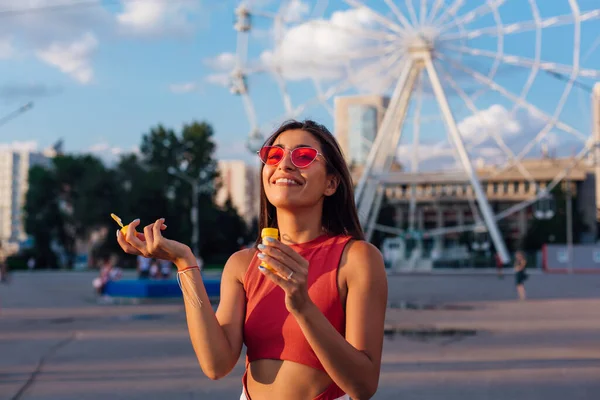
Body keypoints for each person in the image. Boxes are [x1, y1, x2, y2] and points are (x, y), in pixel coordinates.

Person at [116, 119, 388, 400]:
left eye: (303, 156)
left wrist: (303, 306)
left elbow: (363, 385)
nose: (284, 164)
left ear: (331, 183)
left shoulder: (356, 259)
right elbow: (216, 365)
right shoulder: (242, 264)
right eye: (275, 154)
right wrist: (184, 263)